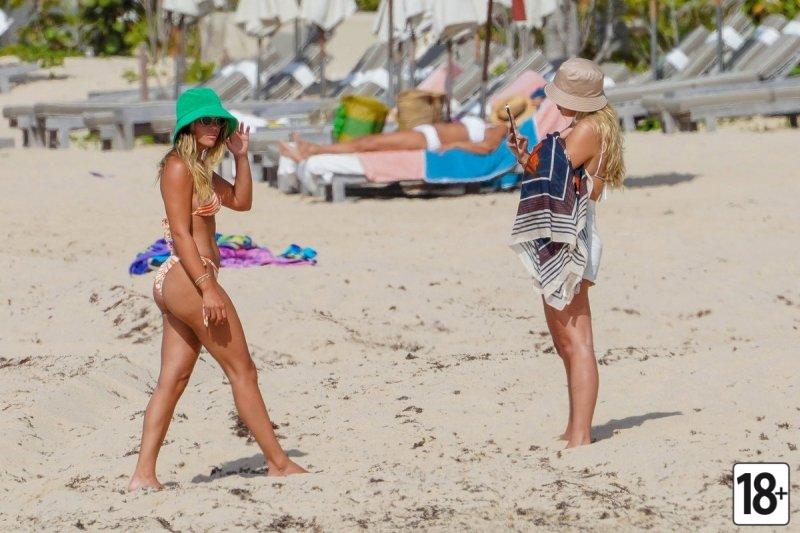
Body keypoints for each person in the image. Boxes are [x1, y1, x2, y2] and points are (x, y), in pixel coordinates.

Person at [128, 88, 306, 491]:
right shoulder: (177, 166)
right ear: (189, 125)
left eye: (217, 121)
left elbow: (241, 201)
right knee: (243, 371)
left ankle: (143, 476)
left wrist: (242, 156)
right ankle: (278, 463)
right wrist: (207, 288)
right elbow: (180, 233)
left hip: (181, 282)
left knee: (173, 380)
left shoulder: (199, 170)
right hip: (191, 279)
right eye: (205, 120)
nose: (213, 126)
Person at [508, 58, 625, 448]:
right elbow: (548, 172)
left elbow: (552, 174)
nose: (555, 102)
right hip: (563, 232)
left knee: (577, 341)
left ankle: (581, 433)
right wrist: (524, 157)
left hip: (571, 237)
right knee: (564, 342)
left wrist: (532, 158)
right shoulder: (584, 127)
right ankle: (575, 425)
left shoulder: (588, 130)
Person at [278, 114, 509, 163]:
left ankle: (313, 150)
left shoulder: (502, 128)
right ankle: (314, 150)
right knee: (369, 142)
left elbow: (487, 148)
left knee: (370, 144)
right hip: (426, 133)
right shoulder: (489, 121)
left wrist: (455, 144)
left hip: (430, 140)